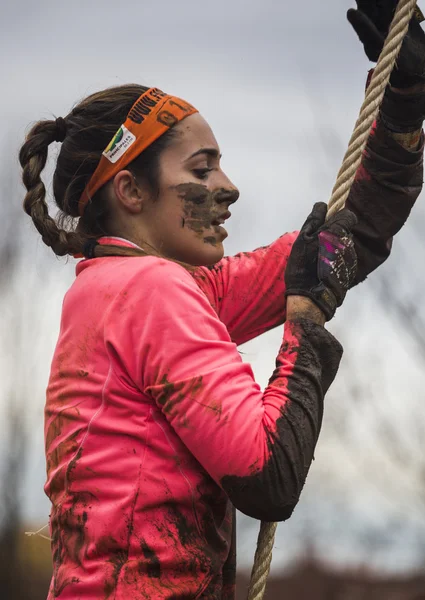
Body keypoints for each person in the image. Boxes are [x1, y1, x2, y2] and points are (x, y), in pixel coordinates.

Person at [19, 2, 425, 598]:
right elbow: (268, 476)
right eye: (203, 169)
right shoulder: (148, 292)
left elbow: (349, 239)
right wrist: (304, 327)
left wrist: (403, 103)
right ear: (130, 189)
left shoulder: (121, 291)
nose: (229, 188)